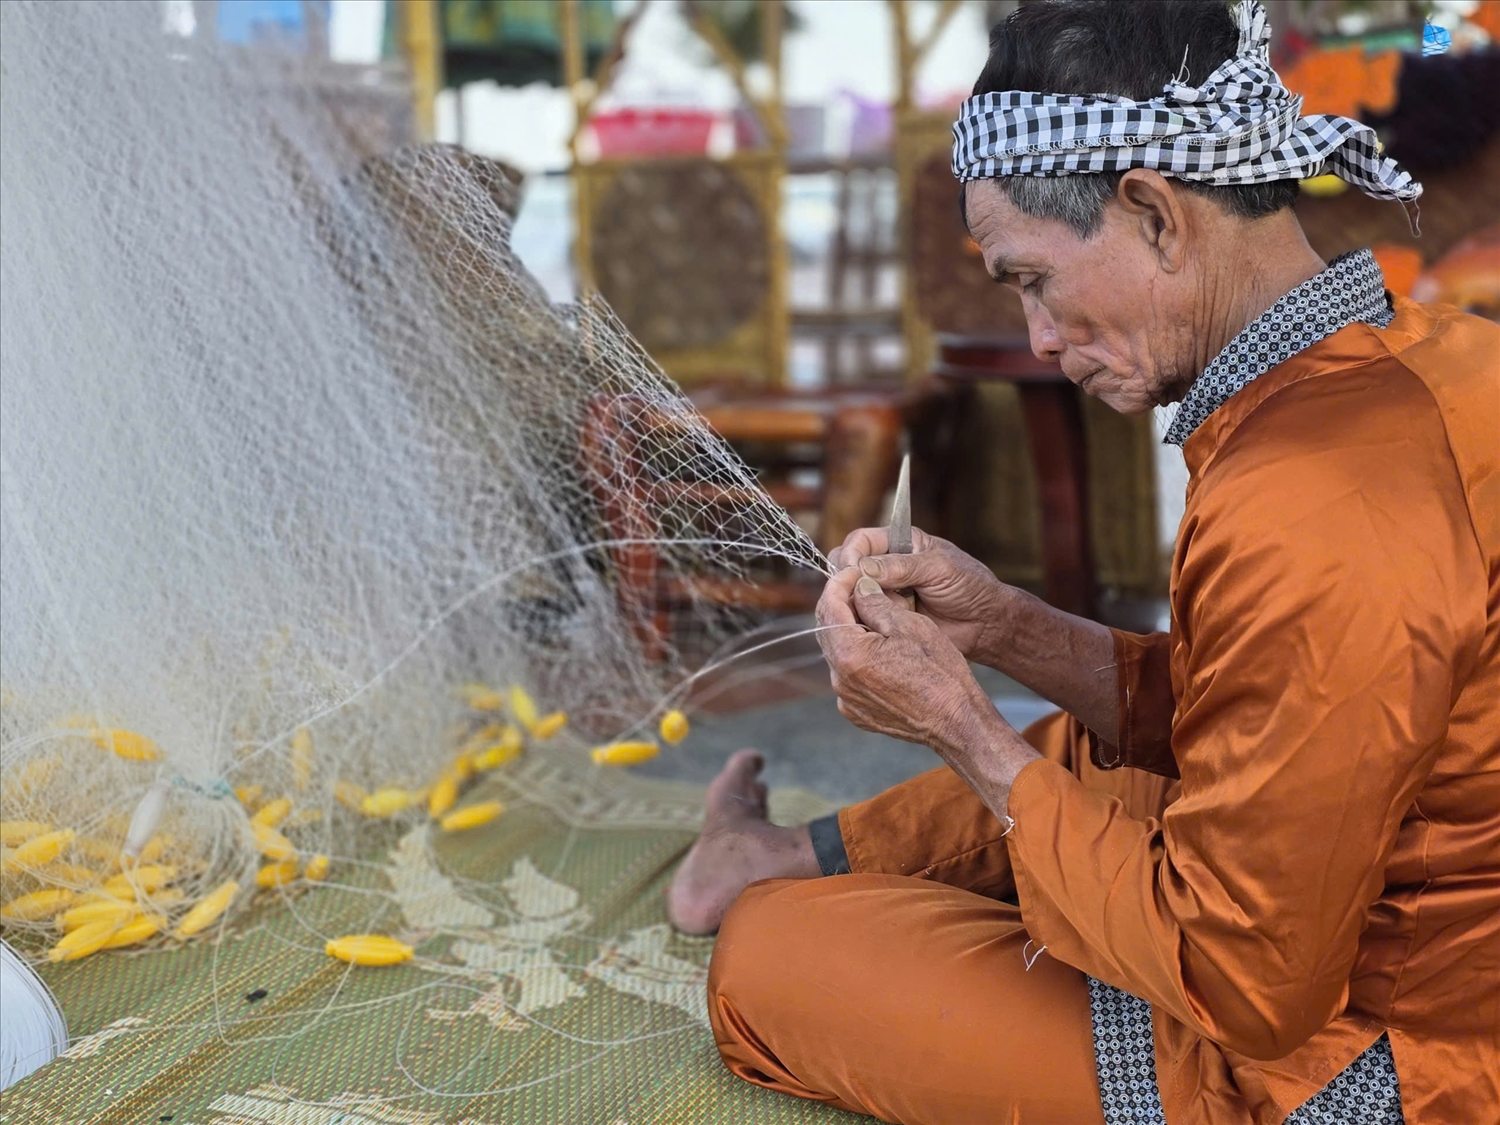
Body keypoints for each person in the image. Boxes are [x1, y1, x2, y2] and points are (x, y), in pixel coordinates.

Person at [666, 2, 1500, 1122]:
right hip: (1402, 941)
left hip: (1384, 1057)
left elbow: (1248, 987)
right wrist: (1005, 626)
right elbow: (1253, 706)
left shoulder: (1311, 500)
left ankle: (776, 887)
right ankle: (784, 849)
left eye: (1032, 280)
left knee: (771, 961)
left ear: (1155, 214)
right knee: (1096, 747)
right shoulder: (1437, 357)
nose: (1043, 341)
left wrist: (960, 727)